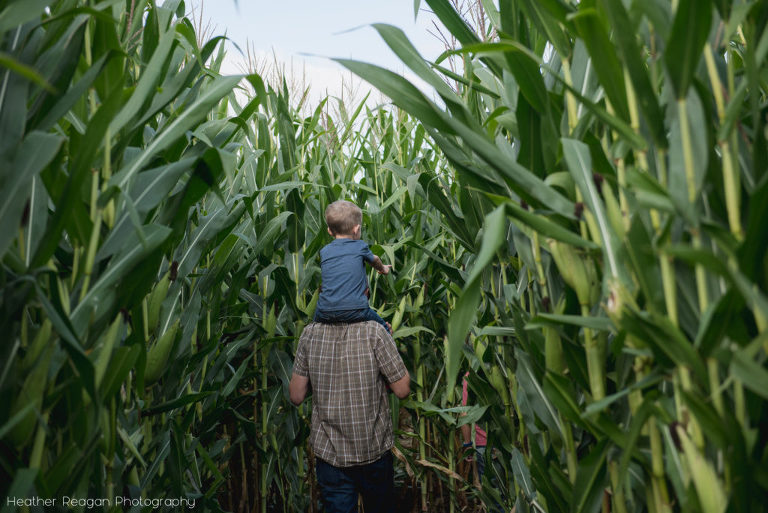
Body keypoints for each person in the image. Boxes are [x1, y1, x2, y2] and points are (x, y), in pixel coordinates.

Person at [289, 321, 410, 513]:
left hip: (330, 456)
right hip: (373, 452)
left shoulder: (309, 334)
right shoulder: (376, 332)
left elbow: (296, 395)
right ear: (363, 293)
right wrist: (389, 342)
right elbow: (402, 389)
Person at [314, 200, 392, 333]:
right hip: (356, 310)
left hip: (324, 312)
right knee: (384, 328)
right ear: (356, 230)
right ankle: (387, 333)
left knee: (313, 327)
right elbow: (375, 260)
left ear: (329, 231)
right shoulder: (360, 246)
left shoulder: (324, 251)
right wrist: (383, 269)